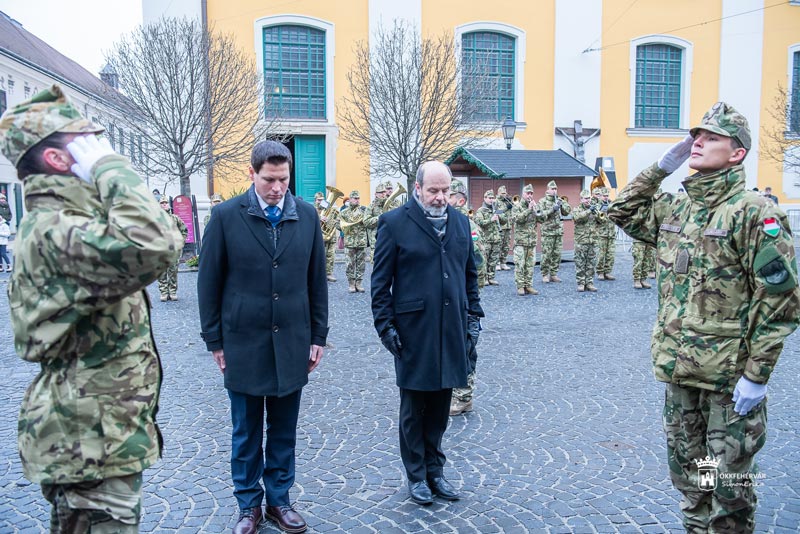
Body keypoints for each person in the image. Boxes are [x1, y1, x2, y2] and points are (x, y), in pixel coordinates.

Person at [608, 102, 800, 532]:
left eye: (711, 137)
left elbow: (780, 299)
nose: (697, 141)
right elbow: (621, 211)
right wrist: (660, 168)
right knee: (694, 478)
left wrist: (757, 374)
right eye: (696, 134)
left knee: (729, 487)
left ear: (737, 153)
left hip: (728, 383)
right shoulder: (678, 208)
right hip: (681, 375)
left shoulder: (755, 213)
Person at [0, 85, 183, 532]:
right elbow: (156, 243)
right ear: (61, 160)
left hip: (97, 438)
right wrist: (110, 168)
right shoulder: (56, 229)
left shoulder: (68, 224)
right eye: (88, 144)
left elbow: (157, 239)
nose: (101, 151)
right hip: (88, 444)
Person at [198, 140, 328, 534]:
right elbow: (209, 284)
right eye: (269, 180)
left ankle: (279, 500)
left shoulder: (306, 217)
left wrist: (318, 335)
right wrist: (215, 341)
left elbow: (316, 282)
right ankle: (247, 506)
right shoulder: (224, 217)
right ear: (251, 174)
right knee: (246, 430)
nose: (277, 188)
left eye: (283, 180)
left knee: (284, 430)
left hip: (291, 342)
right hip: (243, 343)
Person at [371, 161, 483, 505]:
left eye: (445, 190)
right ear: (417, 188)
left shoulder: (461, 223)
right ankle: (416, 475)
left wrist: (474, 319)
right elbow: (380, 285)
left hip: (451, 330)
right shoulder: (394, 223)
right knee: (414, 408)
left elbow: (470, 277)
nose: (440, 198)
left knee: (439, 408)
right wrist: (386, 327)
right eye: (433, 190)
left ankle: (436, 471)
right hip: (412, 332)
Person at [447, 179, 486, 416]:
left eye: (448, 194)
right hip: (449, 296)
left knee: (465, 345)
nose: (443, 198)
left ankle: (463, 397)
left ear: (459, 199)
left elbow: (477, 262)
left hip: (463, 297)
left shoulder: (466, 224)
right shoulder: (443, 222)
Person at [511, 184, 544, 296]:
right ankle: (520, 286)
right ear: (523, 194)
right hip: (520, 241)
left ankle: (528, 285)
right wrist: (528, 210)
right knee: (520, 264)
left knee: (530, 265)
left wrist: (536, 210)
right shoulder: (517, 206)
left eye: (531, 193)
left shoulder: (535, 205)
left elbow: (543, 219)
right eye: (527, 193)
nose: (529, 195)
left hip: (531, 241)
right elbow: (517, 219)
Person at [538, 180, 571, 283]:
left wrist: (561, 205)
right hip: (548, 232)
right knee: (546, 254)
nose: (555, 191)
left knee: (557, 254)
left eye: (556, 189)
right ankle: (544, 274)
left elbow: (567, 212)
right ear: (548, 190)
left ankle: (553, 274)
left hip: (558, 232)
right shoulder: (542, 201)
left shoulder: (560, 200)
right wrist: (552, 209)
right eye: (552, 189)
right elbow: (541, 215)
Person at [157, 198, 188, 302]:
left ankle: (173, 291)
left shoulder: (175, 218)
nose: (164, 205)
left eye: (166, 203)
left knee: (173, 270)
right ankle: (164, 292)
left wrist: (181, 242)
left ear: (169, 205)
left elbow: (184, 230)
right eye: (162, 203)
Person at [473, 189, 505, 285]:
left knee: (493, 260)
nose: (491, 200)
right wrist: (491, 219)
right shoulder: (481, 210)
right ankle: (484, 278)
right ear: (485, 198)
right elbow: (479, 222)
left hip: (496, 239)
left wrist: (499, 216)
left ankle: (491, 277)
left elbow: (505, 221)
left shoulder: (496, 209)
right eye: (489, 198)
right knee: (485, 259)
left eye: (492, 198)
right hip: (486, 239)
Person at [572, 189, 601, 292]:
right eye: (585, 199)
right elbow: (577, 218)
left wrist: (597, 213)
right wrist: (589, 211)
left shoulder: (595, 208)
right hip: (581, 241)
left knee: (591, 263)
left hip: (593, 240)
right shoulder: (577, 209)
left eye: (589, 198)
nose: (588, 200)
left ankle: (589, 282)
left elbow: (603, 220)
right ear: (581, 200)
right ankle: (581, 283)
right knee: (580, 263)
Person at [341, 190, 369, 293]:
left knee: (361, 264)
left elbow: (368, 223)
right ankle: (351, 283)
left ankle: (359, 283)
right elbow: (338, 225)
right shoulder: (344, 212)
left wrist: (364, 221)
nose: (357, 200)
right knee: (349, 264)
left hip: (361, 241)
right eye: (355, 198)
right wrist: (344, 226)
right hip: (349, 242)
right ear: (350, 199)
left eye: (358, 198)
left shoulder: (364, 210)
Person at [314, 191, 341, 282]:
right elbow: (310, 220)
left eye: (322, 200)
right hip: (320, 236)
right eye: (318, 200)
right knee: (321, 256)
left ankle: (329, 274)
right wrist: (319, 217)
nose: (320, 202)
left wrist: (334, 219)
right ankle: (320, 275)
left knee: (331, 255)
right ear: (315, 200)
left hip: (330, 236)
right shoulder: (312, 209)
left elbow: (333, 220)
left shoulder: (328, 208)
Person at [594, 187, 616, 281]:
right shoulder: (596, 205)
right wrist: (601, 212)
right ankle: (600, 272)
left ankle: (607, 271)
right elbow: (596, 219)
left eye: (607, 196)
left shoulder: (611, 204)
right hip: (601, 234)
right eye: (604, 196)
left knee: (610, 254)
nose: (606, 198)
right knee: (601, 254)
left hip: (611, 233)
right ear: (600, 196)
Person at [364, 183, 387, 263]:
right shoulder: (371, 206)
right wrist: (380, 218)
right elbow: (366, 222)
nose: (383, 194)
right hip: (376, 243)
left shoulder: (390, 205)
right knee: (377, 268)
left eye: (384, 192)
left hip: (389, 242)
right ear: (376, 194)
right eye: (380, 192)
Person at [494, 185, 513, 271]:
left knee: (506, 246)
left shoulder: (507, 201)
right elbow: (497, 212)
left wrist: (511, 203)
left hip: (508, 226)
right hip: (500, 226)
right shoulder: (496, 202)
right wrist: (506, 208)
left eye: (505, 193)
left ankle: (503, 262)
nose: (504, 195)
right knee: (499, 245)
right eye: (502, 193)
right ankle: (497, 263)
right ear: (498, 193)